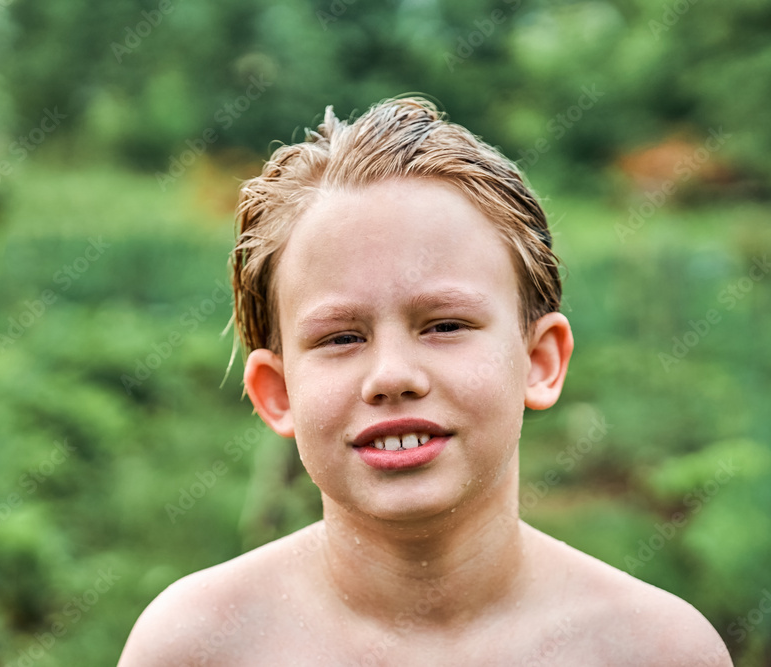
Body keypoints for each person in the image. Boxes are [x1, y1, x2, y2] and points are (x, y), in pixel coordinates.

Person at [118, 97, 732, 666]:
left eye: (444, 325)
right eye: (341, 338)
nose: (392, 377)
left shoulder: (654, 650)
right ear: (276, 393)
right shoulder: (197, 646)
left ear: (540, 361)